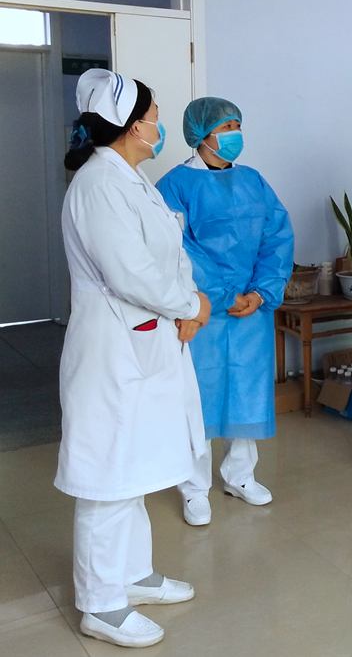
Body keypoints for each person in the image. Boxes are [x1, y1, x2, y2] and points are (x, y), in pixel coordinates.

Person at [58, 69, 211, 648]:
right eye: (152, 116)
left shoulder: (132, 180)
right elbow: (131, 273)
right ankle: (101, 604)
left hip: (147, 342)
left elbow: (170, 254)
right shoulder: (98, 184)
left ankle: (134, 575)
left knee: (137, 464)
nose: (158, 125)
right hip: (112, 351)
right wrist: (190, 305)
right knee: (108, 475)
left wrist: (189, 300)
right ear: (130, 126)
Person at [156, 97, 293, 526]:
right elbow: (179, 248)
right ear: (202, 134)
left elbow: (277, 236)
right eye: (226, 127)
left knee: (247, 391)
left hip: (252, 308)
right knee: (199, 396)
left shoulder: (253, 181)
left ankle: (240, 475)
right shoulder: (175, 186)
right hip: (202, 310)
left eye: (237, 125)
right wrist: (223, 293)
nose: (235, 133)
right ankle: (194, 488)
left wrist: (262, 292)